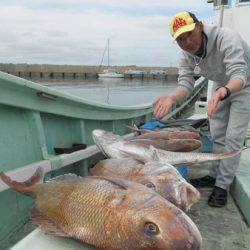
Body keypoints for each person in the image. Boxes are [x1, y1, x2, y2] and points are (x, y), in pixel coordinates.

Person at [153, 11, 250, 207]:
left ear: (200, 26)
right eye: (180, 39)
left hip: (244, 85)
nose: (187, 42)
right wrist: (172, 97)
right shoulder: (187, 55)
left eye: (189, 33)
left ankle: (222, 186)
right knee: (217, 134)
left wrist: (224, 91)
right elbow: (185, 86)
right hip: (220, 86)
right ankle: (214, 175)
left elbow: (239, 75)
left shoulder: (227, 38)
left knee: (233, 136)